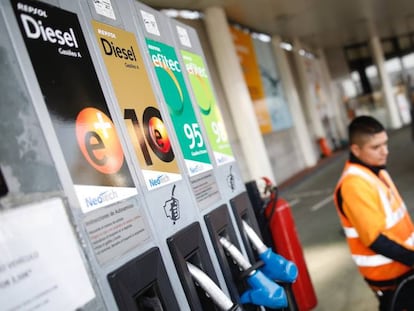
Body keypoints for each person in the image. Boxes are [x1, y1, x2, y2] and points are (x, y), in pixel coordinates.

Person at [333, 115, 414, 311]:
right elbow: (376, 240)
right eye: (376, 148)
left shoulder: (377, 172)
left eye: (385, 144)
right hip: (390, 277)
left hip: (404, 269)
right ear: (356, 149)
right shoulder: (354, 185)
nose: (385, 152)